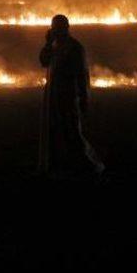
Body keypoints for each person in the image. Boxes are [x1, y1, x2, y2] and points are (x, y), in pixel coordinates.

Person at [38, 14, 105, 178]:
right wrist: (47, 43)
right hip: (53, 95)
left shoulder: (75, 48)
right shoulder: (54, 46)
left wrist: (83, 98)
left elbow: (82, 75)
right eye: (53, 28)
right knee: (54, 132)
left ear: (65, 28)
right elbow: (43, 61)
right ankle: (58, 165)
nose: (54, 31)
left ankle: (90, 165)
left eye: (57, 27)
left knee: (73, 133)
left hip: (68, 96)